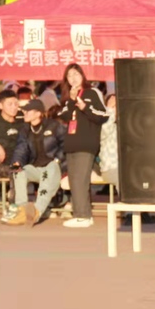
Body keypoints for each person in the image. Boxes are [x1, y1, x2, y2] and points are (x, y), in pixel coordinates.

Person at [58, 63, 108, 228]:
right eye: (69, 76)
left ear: (82, 75)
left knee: (80, 179)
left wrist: (85, 107)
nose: (73, 78)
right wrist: (72, 101)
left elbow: (103, 115)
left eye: (76, 74)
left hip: (86, 142)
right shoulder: (68, 97)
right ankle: (82, 214)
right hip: (72, 142)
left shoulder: (92, 92)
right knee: (74, 180)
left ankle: (83, 216)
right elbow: (64, 116)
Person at [1, 99, 66, 226]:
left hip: (53, 167)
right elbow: (21, 148)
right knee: (18, 171)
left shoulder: (53, 125)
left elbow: (65, 144)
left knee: (49, 173)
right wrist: (16, 163)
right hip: (36, 168)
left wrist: (57, 159)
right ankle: (22, 210)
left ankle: (37, 211)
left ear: (38, 113)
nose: (24, 113)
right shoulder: (25, 129)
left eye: (28, 111)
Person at [99, 94, 119, 191]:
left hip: (128, 168)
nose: (116, 109)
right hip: (111, 168)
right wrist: (110, 110)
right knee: (124, 180)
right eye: (114, 106)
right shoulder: (103, 124)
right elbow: (104, 130)